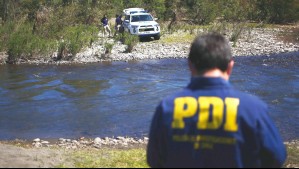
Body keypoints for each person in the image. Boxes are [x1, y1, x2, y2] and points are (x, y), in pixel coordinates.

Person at [147, 32, 287, 168]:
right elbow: (276, 157)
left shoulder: (167, 107)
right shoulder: (253, 108)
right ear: (230, 66)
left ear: (190, 65)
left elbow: (154, 159)